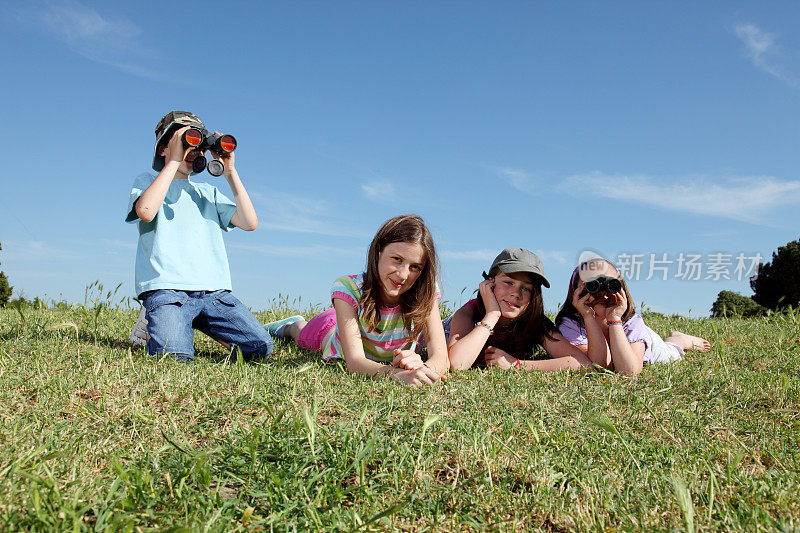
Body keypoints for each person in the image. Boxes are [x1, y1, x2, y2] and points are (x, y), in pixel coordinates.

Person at [126, 110, 272, 360]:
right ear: (164, 148)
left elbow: (249, 223)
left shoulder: (207, 192)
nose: (192, 151)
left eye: (198, 145)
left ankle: (191, 321)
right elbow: (146, 211)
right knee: (174, 356)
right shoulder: (148, 181)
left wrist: (230, 173)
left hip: (213, 294)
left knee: (260, 347)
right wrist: (173, 162)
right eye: (185, 142)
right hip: (167, 290)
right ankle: (157, 318)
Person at [264, 214, 448, 388]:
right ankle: (288, 325)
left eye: (414, 267)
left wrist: (425, 372)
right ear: (378, 252)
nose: (403, 275)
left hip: (358, 323)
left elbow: (441, 356)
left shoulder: (426, 292)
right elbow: (355, 362)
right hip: (330, 332)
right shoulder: (348, 288)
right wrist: (399, 376)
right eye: (397, 259)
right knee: (301, 332)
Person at [555, 257, 711, 375]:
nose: (601, 293)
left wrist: (615, 319)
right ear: (575, 291)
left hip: (650, 344)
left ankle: (680, 339)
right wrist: (588, 317)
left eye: (610, 284)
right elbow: (601, 365)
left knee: (671, 352)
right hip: (611, 339)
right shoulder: (571, 323)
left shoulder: (632, 321)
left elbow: (630, 371)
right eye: (591, 286)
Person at [447, 248, 594, 371]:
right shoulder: (469, 313)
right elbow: (457, 364)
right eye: (508, 282)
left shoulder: (535, 322)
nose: (516, 293)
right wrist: (492, 314)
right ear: (489, 283)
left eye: (526, 288)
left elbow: (583, 363)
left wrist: (516, 364)